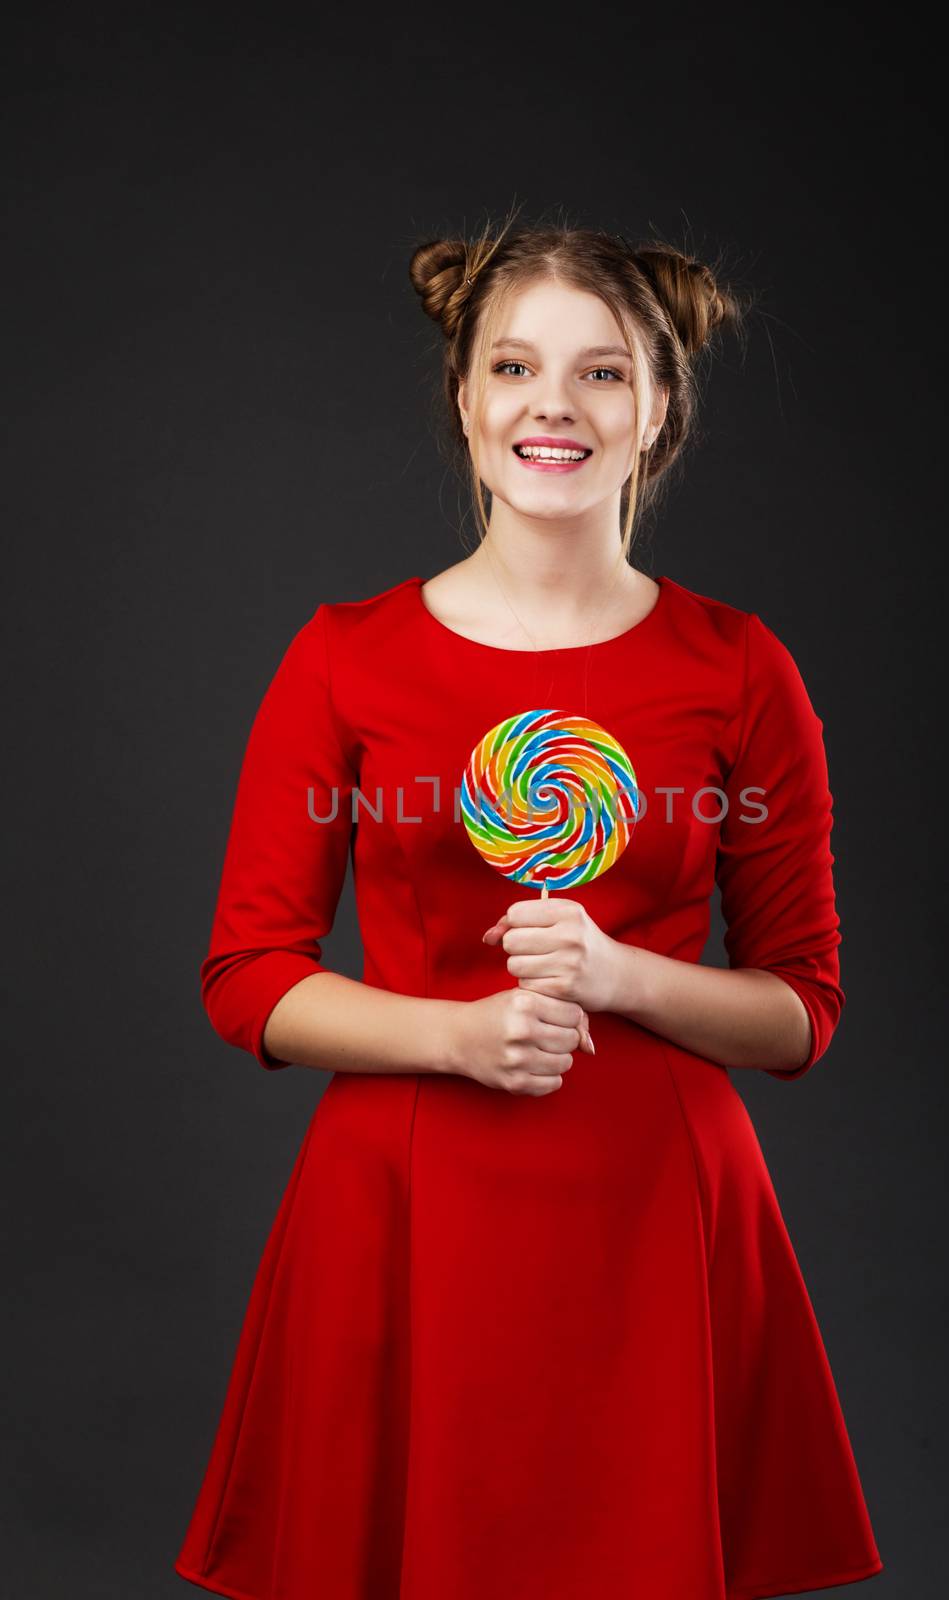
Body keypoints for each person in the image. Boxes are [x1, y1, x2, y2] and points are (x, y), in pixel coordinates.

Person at [174, 215, 884, 1599]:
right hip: (404, 1215)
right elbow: (246, 974)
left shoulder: (741, 672)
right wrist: (454, 1038)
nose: (551, 406)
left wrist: (621, 977)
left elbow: (804, 1010)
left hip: (654, 1236)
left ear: (661, 409)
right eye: (512, 367)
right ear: (464, 398)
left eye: (603, 373)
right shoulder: (344, 659)